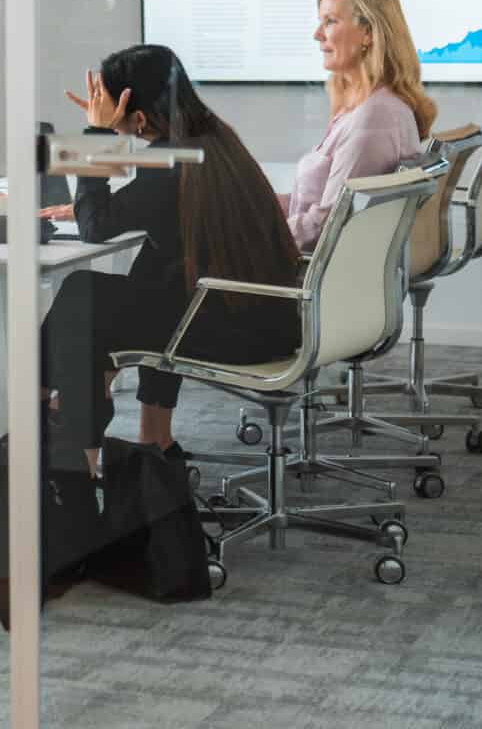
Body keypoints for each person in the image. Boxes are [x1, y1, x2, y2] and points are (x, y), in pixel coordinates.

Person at [38, 45, 301, 455]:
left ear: (138, 117)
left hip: (229, 327)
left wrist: (96, 137)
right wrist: (95, 200)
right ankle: (153, 440)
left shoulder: (168, 160)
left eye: (109, 107)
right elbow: (140, 214)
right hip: (263, 319)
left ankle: (57, 431)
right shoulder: (214, 140)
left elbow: (94, 229)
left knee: (82, 298)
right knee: (151, 270)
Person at [286, 0, 437, 248]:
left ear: (368, 32)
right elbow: (323, 208)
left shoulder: (375, 118)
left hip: (303, 272)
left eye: (330, 21)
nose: (317, 34)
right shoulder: (365, 108)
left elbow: (324, 227)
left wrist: (252, 233)